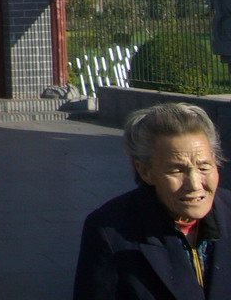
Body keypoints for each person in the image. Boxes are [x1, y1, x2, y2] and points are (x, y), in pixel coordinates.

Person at [73, 102, 230, 299]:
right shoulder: (111, 230)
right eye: (176, 170)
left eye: (204, 167)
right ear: (146, 171)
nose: (194, 184)